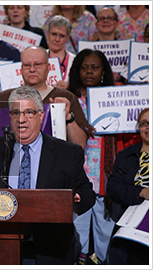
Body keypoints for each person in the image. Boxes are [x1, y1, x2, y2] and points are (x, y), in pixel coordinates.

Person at [0, 86, 96, 264]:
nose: (21, 119)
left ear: (41, 115)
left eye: (29, 112)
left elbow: (86, 192)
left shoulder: (67, 153)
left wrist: (77, 198)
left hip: (51, 248)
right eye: (15, 113)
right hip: (2, 245)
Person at [68, 49, 116, 265]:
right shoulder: (70, 99)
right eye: (84, 67)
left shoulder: (114, 97)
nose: (89, 71)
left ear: (103, 71)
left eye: (94, 67)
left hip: (104, 173)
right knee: (78, 225)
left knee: (105, 227)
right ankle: (79, 260)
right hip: (79, 169)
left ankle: (103, 262)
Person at [0, 46, 92, 150]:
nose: (32, 69)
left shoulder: (66, 97)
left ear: (48, 67)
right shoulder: (5, 97)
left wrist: (67, 118)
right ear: (21, 69)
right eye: (27, 65)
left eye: (38, 64)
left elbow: (80, 144)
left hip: (54, 163)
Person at [106, 108, 149, 265]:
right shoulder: (126, 155)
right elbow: (113, 188)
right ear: (139, 127)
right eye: (144, 123)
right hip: (131, 223)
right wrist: (141, 192)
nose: (148, 128)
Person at [46, 15, 75, 89]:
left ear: (67, 38)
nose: (57, 39)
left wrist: (69, 88)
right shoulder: (38, 58)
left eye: (62, 36)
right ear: (47, 34)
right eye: (54, 34)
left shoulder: (74, 60)